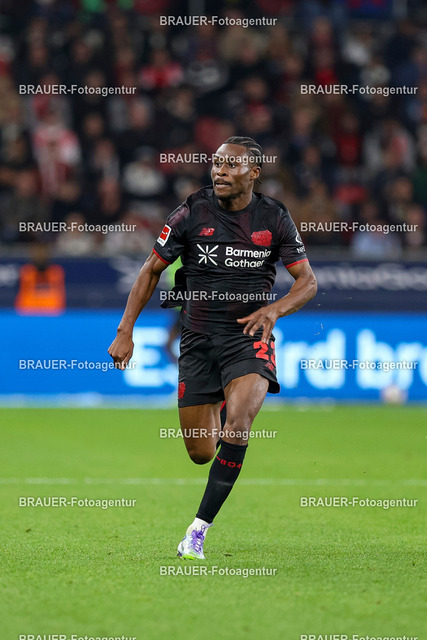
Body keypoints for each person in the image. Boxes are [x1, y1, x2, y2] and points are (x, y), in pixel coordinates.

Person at [108, 136, 317, 559]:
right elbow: (150, 271)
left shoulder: (274, 217)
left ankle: (197, 531)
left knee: (239, 425)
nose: (219, 170)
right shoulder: (192, 211)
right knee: (201, 452)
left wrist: (274, 310)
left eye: (230, 165)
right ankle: (222, 400)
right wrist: (125, 330)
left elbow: (307, 282)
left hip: (249, 338)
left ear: (253, 173)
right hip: (198, 340)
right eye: (216, 163)